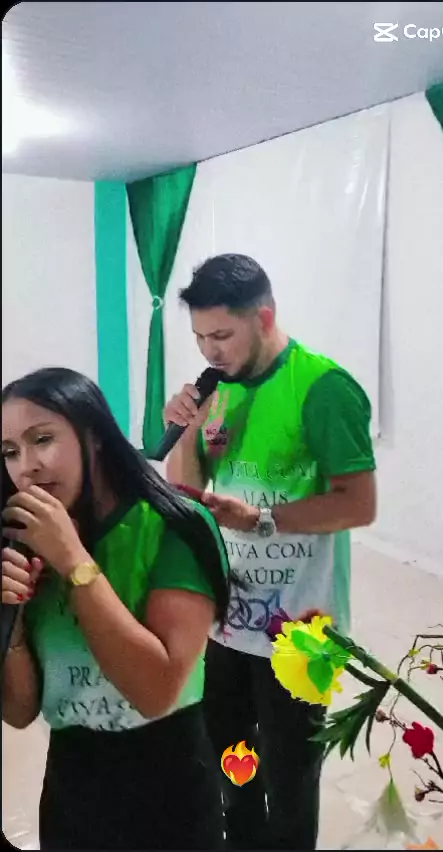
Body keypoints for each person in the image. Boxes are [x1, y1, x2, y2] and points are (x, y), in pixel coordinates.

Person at [164, 254, 377, 850]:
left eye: (221, 335)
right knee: (232, 759)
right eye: (199, 337)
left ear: (264, 317)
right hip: (225, 618)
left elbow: (359, 504)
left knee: (290, 777)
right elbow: (187, 490)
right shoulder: (218, 389)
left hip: (301, 629)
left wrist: (262, 521)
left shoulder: (323, 387)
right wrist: (187, 425)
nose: (209, 351)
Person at [1, 366, 233, 851]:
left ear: (94, 436)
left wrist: (73, 561)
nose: (27, 467)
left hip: (170, 783)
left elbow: (156, 692)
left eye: (42, 439)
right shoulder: (21, 543)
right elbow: (19, 711)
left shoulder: (175, 526)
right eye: (9, 452)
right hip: (71, 783)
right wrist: (13, 620)